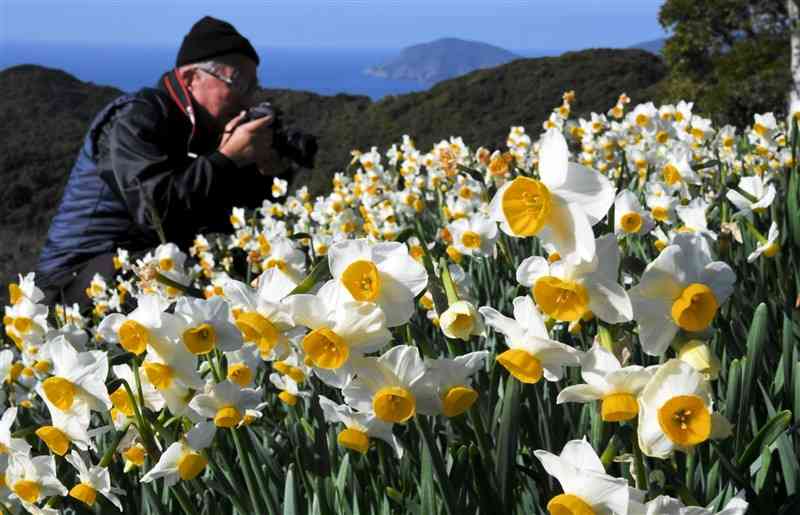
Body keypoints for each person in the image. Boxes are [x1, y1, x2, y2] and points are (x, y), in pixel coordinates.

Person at [35, 16, 291, 308]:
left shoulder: (203, 131)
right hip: (76, 276)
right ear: (191, 79)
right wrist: (227, 158)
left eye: (252, 87)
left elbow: (219, 217)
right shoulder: (135, 117)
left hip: (140, 262)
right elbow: (156, 210)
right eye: (240, 83)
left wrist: (263, 173)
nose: (247, 100)